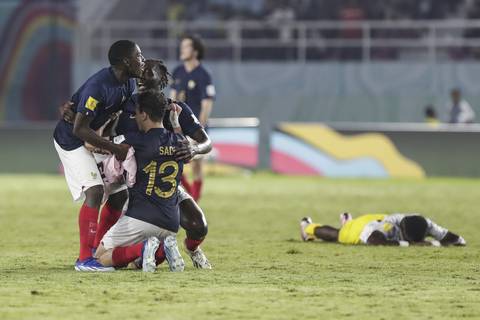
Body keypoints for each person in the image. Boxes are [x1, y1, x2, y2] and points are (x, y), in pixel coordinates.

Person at [60, 59, 213, 269]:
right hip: (130, 179)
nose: (142, 76)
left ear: (162, 80)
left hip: (159, 183)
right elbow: (91, 114)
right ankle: (98, 249)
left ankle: (192, 249)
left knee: (197, 225)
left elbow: (206, 142)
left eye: (149, 73)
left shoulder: (175, 109)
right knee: (115, 195)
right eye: (141, 72)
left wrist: (195, 149)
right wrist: (72, 109)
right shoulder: (122, 105)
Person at [53, 40, 145, 271]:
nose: (142, 59)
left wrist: (107, 140)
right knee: (94, 191)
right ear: (125, 61)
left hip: (94, 139)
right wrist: (114, 148)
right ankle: (84, 260)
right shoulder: (99, 86)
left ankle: (97, 248)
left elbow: (117, 113)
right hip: (71, 141)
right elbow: (79, 128)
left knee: (118, 194)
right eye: (139, 55)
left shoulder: (128, 82)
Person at [94, 90, 185, 272]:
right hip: (171, 222)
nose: (134, 117)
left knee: (99, 257)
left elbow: (92, 143)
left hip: (141, 217)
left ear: (143, 114)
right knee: (135, 265)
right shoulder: (179, 141)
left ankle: (142, 247)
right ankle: (161, 250)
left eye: (136, 113)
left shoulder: (135, 140)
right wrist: (176, 123)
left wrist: (108, 120)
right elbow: (181, 140)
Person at [170, 34, 216, 201]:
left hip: (196, 128)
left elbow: (207, 105)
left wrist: (199, 129)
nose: (182, 50)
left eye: (186, 46)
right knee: (175, 163)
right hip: (177, 128)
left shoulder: (204, 75)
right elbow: (173, 99)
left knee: (196, 165)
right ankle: (189, 198)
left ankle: (193, 202)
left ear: (195, 51)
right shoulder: (178, 71)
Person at [300, 213, 466, 246]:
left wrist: (458, 240)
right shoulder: (387, 227)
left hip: (376, 216)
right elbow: (375, 241)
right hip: (364, 229)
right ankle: (308, 227)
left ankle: (347, 221)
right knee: (339, 235)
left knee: (345, 228)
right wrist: (407, 245)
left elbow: (449, 237)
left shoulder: (426, 223)